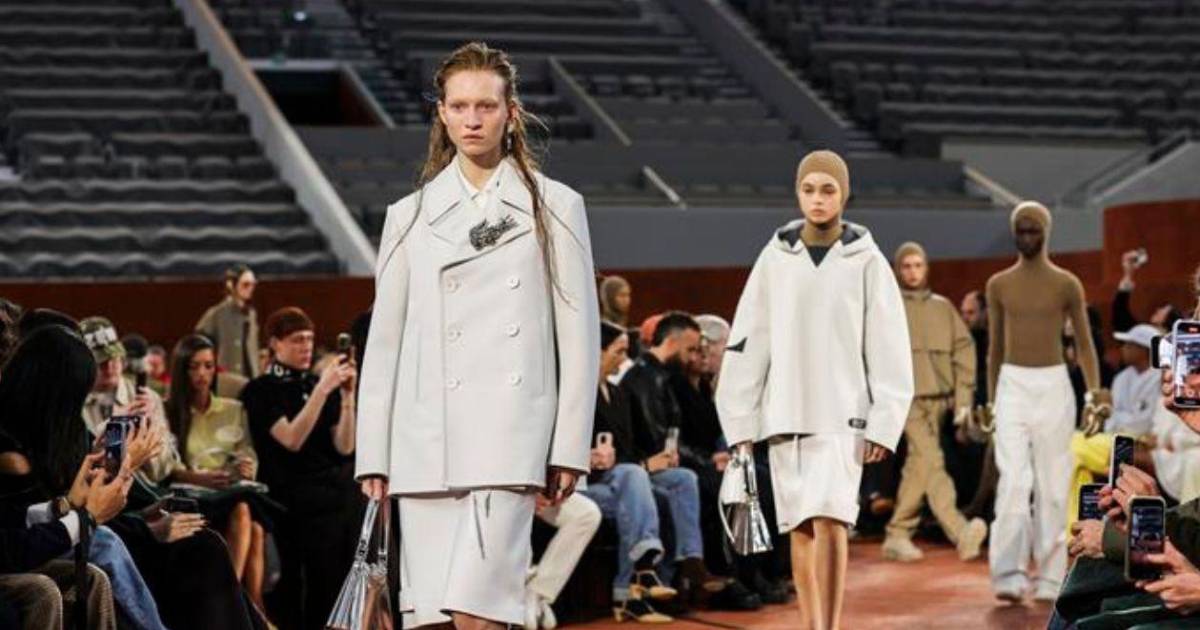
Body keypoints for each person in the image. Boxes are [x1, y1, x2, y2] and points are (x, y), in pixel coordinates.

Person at [354, 41, 599, 629]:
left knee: (479, 612)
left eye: (485, 106)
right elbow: (384, 343)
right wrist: (374, 453)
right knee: (433, 619)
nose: (472, 119)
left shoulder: (556, 207)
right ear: (441, 113)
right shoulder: (408, 215)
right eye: (459, 106)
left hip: (509, 437)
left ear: (510, 112)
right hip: (426, 443)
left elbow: (579, 334)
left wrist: (568, 446)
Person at [716, 150, 913, 630]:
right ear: (797, 193)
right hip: (786, 412)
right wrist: (740, 421)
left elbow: (888, 345)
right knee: (799, 525)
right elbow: (749, 339)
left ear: (844, 193)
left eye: (828, 189)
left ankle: (829, 626)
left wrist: (885, 422)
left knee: (832, 518)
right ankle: (811, 625)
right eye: (809, 189)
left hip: (844, 414)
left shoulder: (867, 261)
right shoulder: (775, 259)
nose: (818, 199)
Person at [985, 201, 1110, 603]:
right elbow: (994, 347)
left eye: (1033, 230)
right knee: (1013, 482)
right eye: (1021, 230)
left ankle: (1051, 577)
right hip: (1012, 385)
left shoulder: (1067, 284)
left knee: (1055, 486)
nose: (1027, 237)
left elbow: (1085, 344)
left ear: (1046, 232)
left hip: (1055, 385)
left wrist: (1095, 394)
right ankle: (1008, 572)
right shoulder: (998, 284)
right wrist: (989, 399)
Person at [240, 307, 358, 630]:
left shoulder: (317, 383)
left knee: (332, 578)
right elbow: (291, 439)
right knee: (292, 588)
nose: (306, 346)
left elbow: (344, 446)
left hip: (327, 495)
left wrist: (347, 397)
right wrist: (322, 391)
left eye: (309, 339)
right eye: (296, 340)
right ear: (275, 343)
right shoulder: (261, 389)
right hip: (287, 497)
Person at [621, 313, 743, 607]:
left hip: (667, 463)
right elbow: (656, 437)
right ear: (673, 342)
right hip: (647, 466)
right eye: (690, 349)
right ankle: (691, 565)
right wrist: (704, 461)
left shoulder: (662, 377)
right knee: (690, 481)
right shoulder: (644, 378)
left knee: (698, 480)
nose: (693, 357)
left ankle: (693, 567)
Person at [882, 242, 988, 563]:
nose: (913, 272)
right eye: (906, 266)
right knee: (933, 461)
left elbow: (964, 352)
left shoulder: (943, 308)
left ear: (926, 268)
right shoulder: (887, 308)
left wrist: (963, 401)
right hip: (906, 401)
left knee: (920, 464)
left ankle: (898, 532)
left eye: (918, 265)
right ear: (897, 270)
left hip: (940, 400)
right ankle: (961, 531)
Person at [164, 334, 269, 616]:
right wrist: (199, 478)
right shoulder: (169, 411)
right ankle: (247, 608)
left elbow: (247, 453)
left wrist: (246, 467)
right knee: (252, 524)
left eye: (208, 366)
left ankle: (235, 608)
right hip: (191, 496)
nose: (202, 374)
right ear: (182, 370)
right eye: (194, 366)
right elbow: (166, 469)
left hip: (228, 492)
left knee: (249, 517)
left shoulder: (232, 409)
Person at [583, 321, 678, 622]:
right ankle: (638, 580)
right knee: (636, 489)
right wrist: (588, 459)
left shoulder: (618, 394)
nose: (624, 359)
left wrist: (646, 463)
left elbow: (629, 449)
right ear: (596, 352)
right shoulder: (575, 396)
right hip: (583, 484)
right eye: (618, 351)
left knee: (648, 495)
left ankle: (634, 587)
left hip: (617, 482)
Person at [524, 493, 602, 630]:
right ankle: (514, 593)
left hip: (539, 488)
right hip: (503, 490)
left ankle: (537, 591)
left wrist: (559, 488)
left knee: (587, 513)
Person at [196, 264, 261, 380]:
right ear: (231, 285)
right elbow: (199, 339)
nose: (250, 288)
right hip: (227, 376)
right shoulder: (217, 313)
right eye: (246, 285)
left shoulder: (251, 314)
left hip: (250, 376)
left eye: (253, 284)